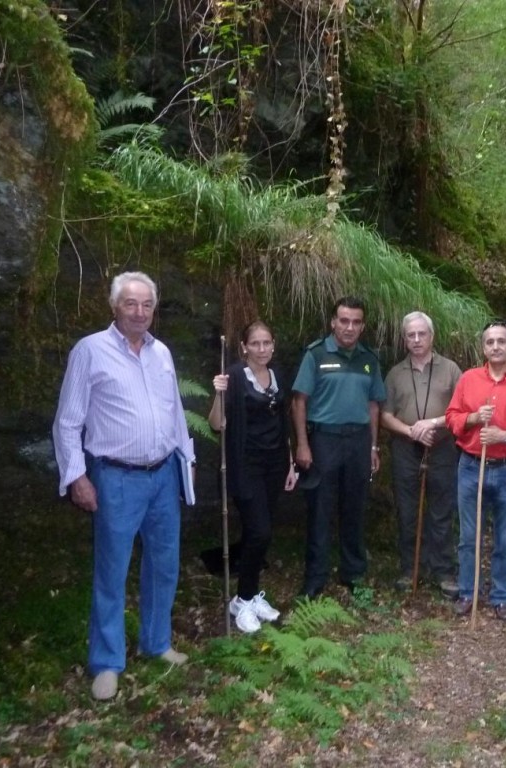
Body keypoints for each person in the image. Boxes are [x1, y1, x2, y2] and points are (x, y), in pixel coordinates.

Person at [53, 271, 195, 701]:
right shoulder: (90, 351)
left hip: (163, 475)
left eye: (146, 304)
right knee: (111, 570)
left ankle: (156, 642)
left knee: (164, 564)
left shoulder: (162, 354)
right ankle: (107, 662)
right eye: (130, 304)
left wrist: (183, 465)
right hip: (114, 477)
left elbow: (173, 415)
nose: (139, 312)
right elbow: (67, 420)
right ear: (114, 306)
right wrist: (76, 475)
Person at [445, 321, 506, 621]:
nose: (496, 346)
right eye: (490, 342)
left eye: (502, 341)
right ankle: (468, 592)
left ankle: (502, 596)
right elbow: (452, 417)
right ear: (483, 348)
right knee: (468, 536)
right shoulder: (468, 379)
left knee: (505, 538)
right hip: (471, 466)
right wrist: (474, 418)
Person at [292, 297, 387, 598]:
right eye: (343, 321)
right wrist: (303, 445)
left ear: (362, 325)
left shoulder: (369, 358)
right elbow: (299, 401)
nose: (349, 327)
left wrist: (374, 446)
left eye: (356, 322)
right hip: (324, 441)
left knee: (355, 508)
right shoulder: (316, 354)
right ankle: (315, 579)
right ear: (333, 322)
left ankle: (353, 574)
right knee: (320, 510)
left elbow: (374, 405)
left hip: (359, 441)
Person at [208, 321, 299, 633]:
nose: (262, 349)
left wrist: (289, 462)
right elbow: (217, 425)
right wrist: (218, 394)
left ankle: (249, 595)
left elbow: (282, 422)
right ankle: (242, 600)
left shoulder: (278, 375)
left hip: (274, 463)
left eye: (267, 343)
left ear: (273, 345)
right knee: (259, 532)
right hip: (245, 464)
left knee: (257, 532)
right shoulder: (233, 376)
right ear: (244, 347)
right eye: (255, 344)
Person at [380, 312, 462, 598]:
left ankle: (443, 570)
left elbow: (461, 411)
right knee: (407, 509)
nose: (416, 340)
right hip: (405, 448)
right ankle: (410, 568)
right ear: (404, 339)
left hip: (442, 447)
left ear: (431, 336)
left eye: (421, 334)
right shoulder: (394, 373)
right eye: (410, 335)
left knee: (442, 509)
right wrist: (411, 430)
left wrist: (433, 426)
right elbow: (385, 416)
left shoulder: (451, 370)